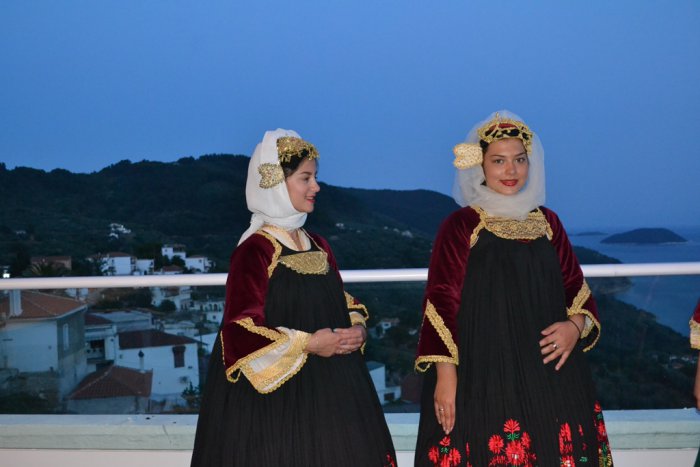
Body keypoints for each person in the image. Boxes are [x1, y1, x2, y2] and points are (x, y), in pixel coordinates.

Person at [414, 111, 613, 466]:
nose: (511, 171)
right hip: (484, 370)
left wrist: (574, 327)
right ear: (480, 167)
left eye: (519, 160)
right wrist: (446, 375)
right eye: (499, 161)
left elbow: (575, 288)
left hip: (550, 368)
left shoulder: (548, 221)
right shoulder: (462, 225)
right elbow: (441, 300)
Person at [190, 129, 396, 467]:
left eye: (315, 177)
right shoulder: (255, 249)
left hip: (334, 389)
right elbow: (240, 329)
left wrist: (356, 328)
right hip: (276, 400)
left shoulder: (318, 244)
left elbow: (342, 299)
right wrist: (309, 344)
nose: (316, 187)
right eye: (306, 178)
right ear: (276, 183)